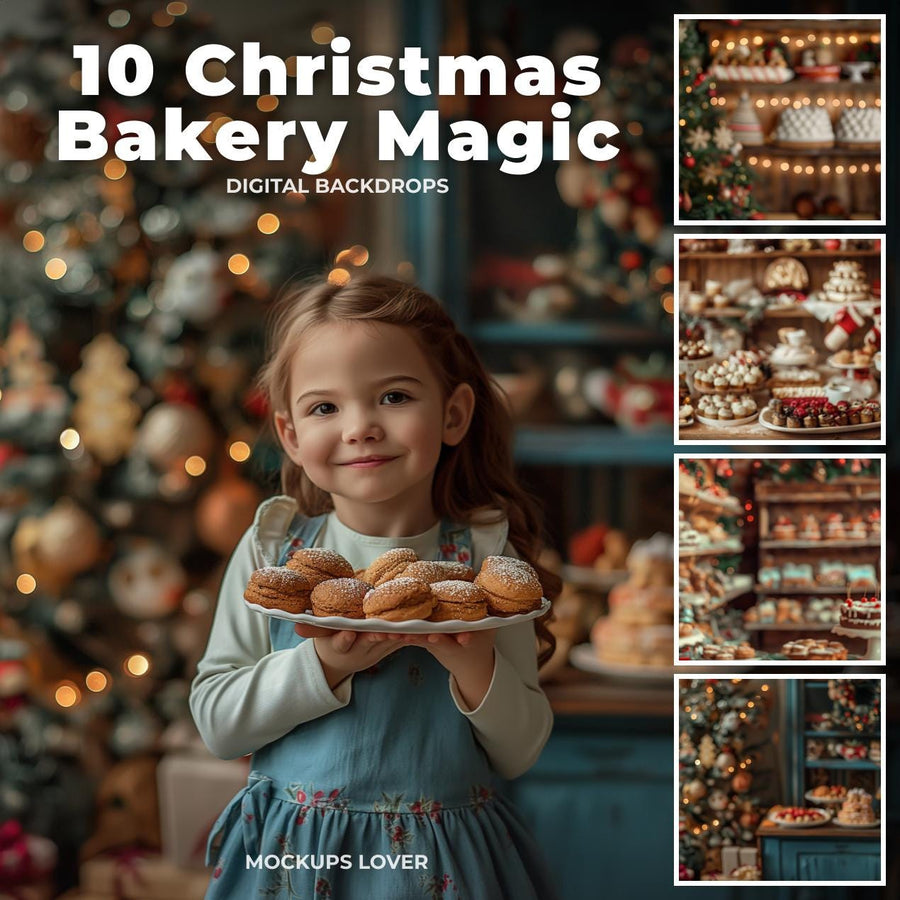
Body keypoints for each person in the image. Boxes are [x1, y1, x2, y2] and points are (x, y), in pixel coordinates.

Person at [190, 274, 560, 899]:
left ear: (453, 414)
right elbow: (220, 723)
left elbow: (521, 750)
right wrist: (322, 664)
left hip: (446, 866)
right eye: (325, 407)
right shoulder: (273, 554)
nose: (359, 426)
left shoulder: (484, 561)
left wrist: (475, 668)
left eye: (392, 396)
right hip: (298, 863)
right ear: (291, 435)